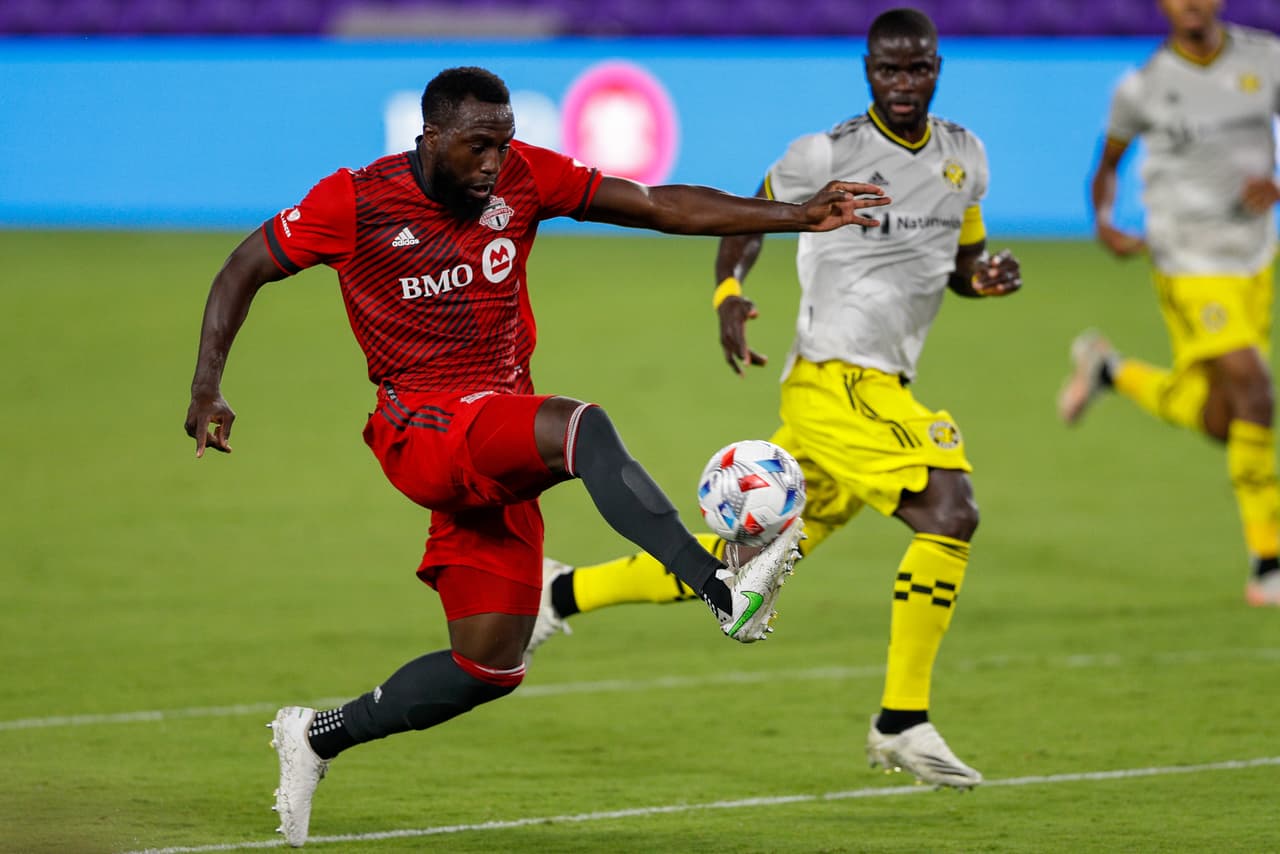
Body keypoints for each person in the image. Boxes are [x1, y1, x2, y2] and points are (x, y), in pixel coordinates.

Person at [183, 66, 888, 846]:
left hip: (493, 433)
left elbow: (656, 205)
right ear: (431, 137)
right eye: (477, 147)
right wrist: (206, 388)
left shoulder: (521, 178)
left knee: (488, 664)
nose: (493, 163)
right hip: (423, 428)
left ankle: (316, 735)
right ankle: (721, 586)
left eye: (503, 144)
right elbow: (243, 266)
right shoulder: (353, 202)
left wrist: (798, 215)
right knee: (579, 427)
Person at [526, 8, 1022, 790]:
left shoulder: (965, 155)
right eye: (887, 70)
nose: (902, 83)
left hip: (879, 386)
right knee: (948, 510)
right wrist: (729, 289)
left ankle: (557, 591)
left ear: (935, 68)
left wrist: (983, 279)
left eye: (916, 68)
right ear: (867, 70)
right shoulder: (826, 151)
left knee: (737, 561)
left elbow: (963, 261)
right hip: (835, 377)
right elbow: (747, 215)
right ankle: (902, 721)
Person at [1058, 0, 1280, 606]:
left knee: (1225, 420)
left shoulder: (1266, 58)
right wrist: (1104, 221)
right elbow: (1106, 166)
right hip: (1185, 261)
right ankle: (1269, 561)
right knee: (1257, 391)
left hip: (1254, 258)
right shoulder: (1143, 87)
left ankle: (1110, 369)